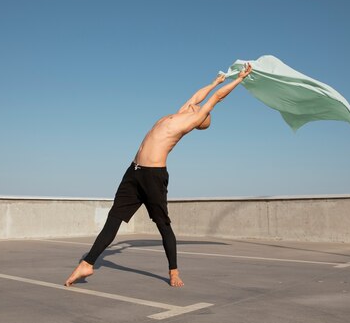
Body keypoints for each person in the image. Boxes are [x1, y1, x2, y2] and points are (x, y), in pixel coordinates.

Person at [64, 63, 252, 288]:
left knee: (162, 224)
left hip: (154, 176)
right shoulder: (182, 112)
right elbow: (198, 95)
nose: (199, 105)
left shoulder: (190, 120)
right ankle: (88, 263)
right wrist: (214, 82)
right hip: (133, 172)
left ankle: (173, 271)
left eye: (203, 110)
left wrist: (240, 79)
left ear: (200, 119)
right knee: (114, 219)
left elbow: (217, 98)